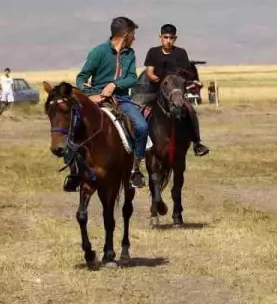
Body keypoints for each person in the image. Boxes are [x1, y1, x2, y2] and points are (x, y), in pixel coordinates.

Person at [74, 16, 148, 190]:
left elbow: (131, 77)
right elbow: (81, 78)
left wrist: (114, 84)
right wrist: (90, 96)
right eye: (133, 34)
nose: (134, 38)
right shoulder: (98, 52)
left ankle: (135, 169)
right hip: (96, 98)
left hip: (121, 99)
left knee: (142, 127)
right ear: (126, 34)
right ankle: (74, 171)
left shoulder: (130, 54)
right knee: (74, 126)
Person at [142, 23, 209, 156]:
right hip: (156, 91)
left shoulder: (181, 53)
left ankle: (197, 142)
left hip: (175, 92)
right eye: (165, 37)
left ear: (175, 38)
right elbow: (149, 72)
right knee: (141, 110)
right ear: (160, 37)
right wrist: (162, 82)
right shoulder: (153, 52)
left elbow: (184, 74)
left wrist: (181, 84)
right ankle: (141, 145)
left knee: (190, 110)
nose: (168, 40)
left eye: (171, 37)